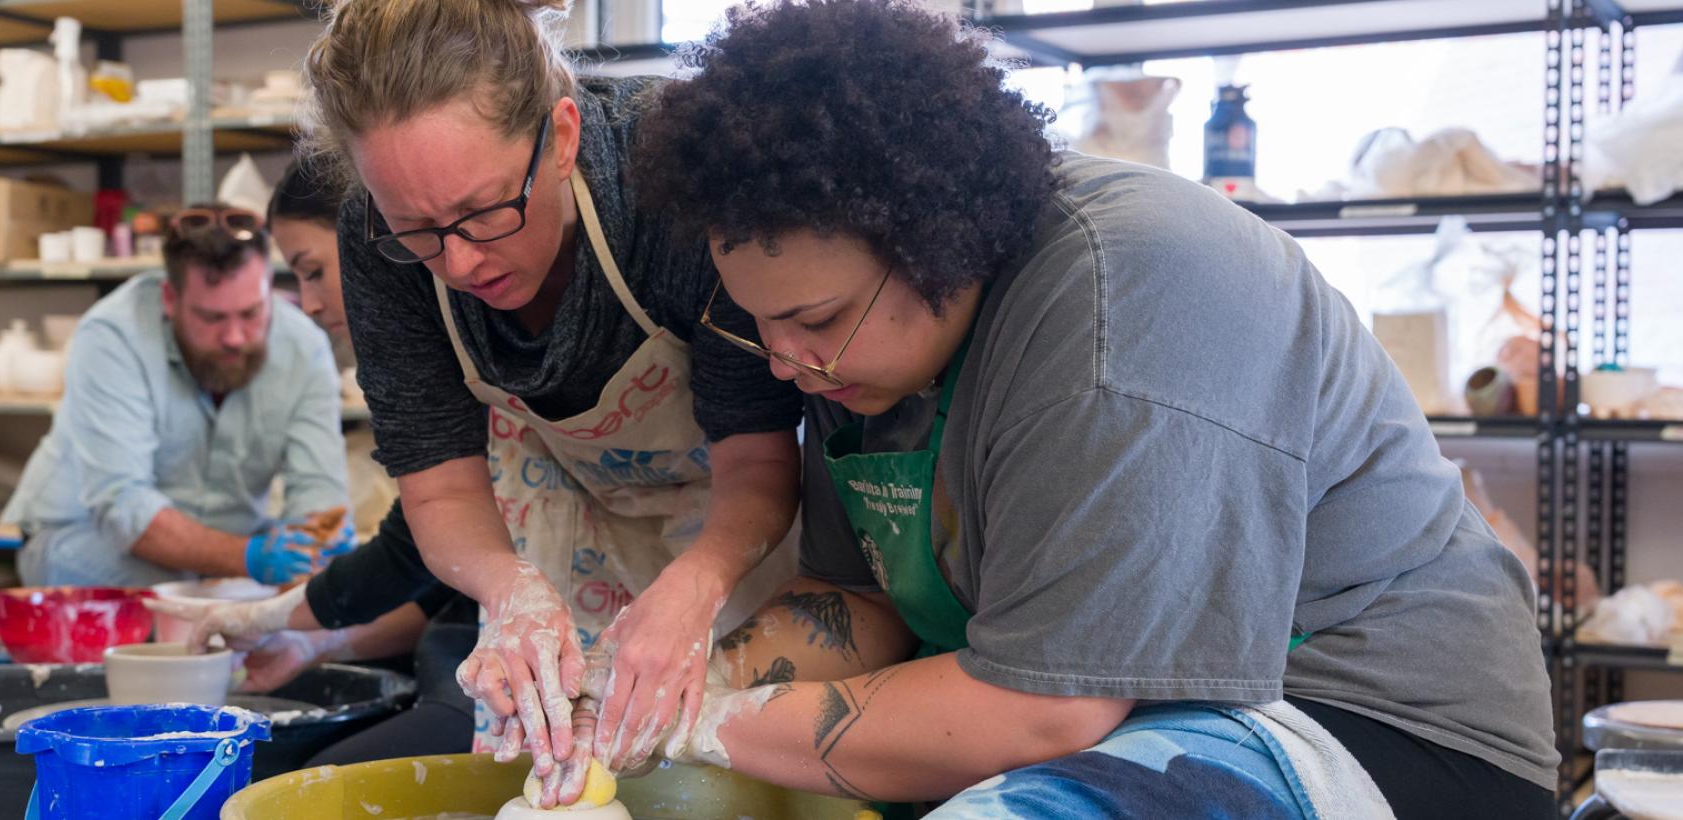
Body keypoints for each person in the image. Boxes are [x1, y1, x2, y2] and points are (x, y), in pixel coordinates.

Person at [605, 1, 1559, 816]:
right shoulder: (856, 358)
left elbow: (1048, 710)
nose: (786, 361)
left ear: (935, 238)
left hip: (1366, 713)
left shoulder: (1122, 297)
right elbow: (858, 601)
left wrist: (707, 727)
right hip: (1111, 707)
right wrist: (661, 689)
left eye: (815, 319)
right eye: (763, 324)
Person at [176, 0, 804, 790]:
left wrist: (699, 583)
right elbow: (439, 494)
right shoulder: (377, 246)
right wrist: (511, 591)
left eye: (484, 212)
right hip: (559, 517)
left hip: (733, 520)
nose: (463, 262)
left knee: (711, 767)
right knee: (556, 767)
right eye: (418, 228)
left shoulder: (670, 187)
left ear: (563, 136)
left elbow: (759, 462)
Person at [203, 156, 477, 763]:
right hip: (459, 646)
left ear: (370, 232)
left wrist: (283, 614)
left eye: (313, 272)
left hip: (513, 663)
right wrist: (312, 644)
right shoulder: (422, 353)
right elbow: (436, 581)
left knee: (315, 783)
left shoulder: (473, 344)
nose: (307, 303)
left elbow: (413, 557)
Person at [2, 204, 351, 588]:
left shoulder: (305, 347)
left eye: (251, 313)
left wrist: (316, 545)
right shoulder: (113, 336)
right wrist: (248, 558)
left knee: (315, 603)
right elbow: (123, 507)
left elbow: (319, 492)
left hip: (228, 549)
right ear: (170, 298)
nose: (234, 337)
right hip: (84, 537)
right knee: (185, 600)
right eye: (212, 318)